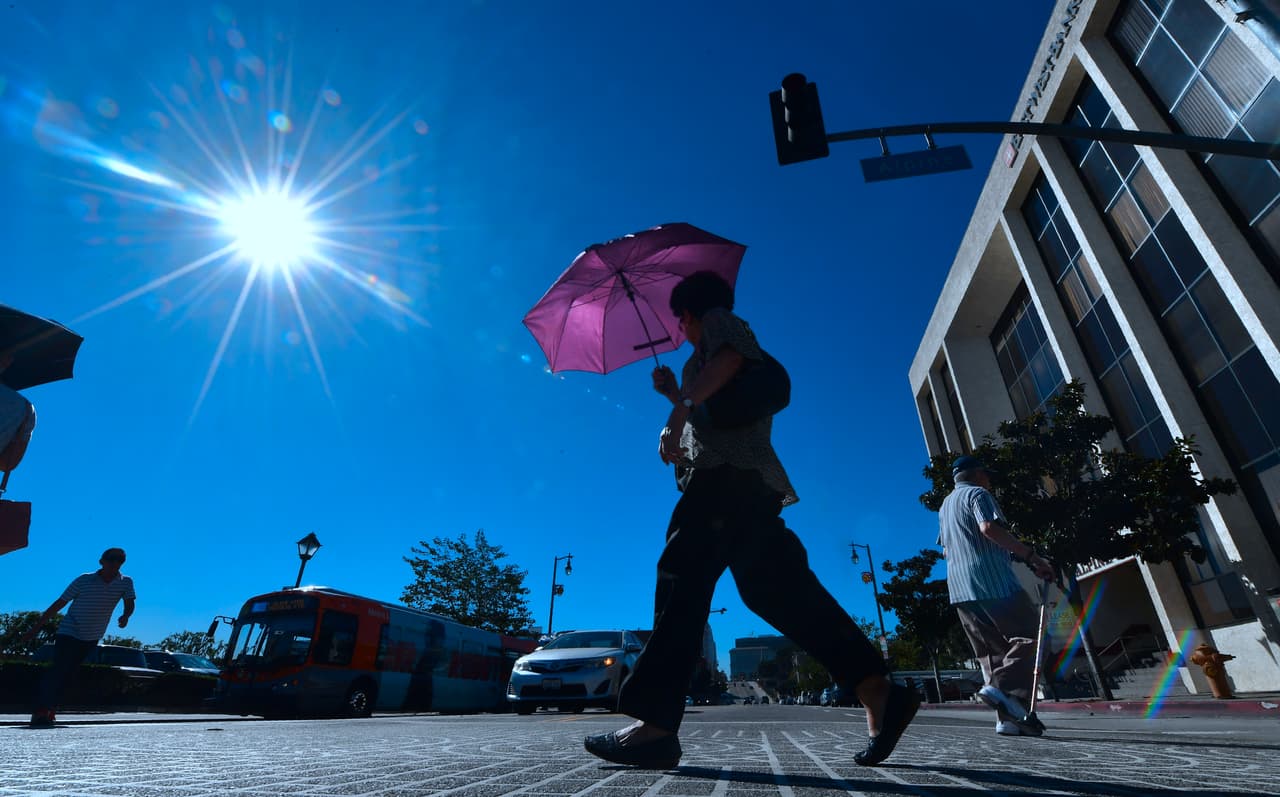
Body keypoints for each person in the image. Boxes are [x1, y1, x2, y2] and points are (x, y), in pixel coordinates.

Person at [583, 271, 918, 769]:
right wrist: (676, 399)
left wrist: (682, 407)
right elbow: (712, 411)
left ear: (692, 313)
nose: (679, 328)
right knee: (776, 590)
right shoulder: (702, 361)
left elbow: (732, 360)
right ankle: (875, 687)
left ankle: (654, 727)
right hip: (746, 486)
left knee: (681, 585)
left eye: (680, 318)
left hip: (722, 485)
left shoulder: (721, 325)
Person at [938, 455, 1054, 737]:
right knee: (1033, 637)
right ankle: (999, 689)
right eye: (986, 475)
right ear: (977, 475)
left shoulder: (944, 507)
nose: (989, 480)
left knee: (993, 654)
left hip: (960, 589)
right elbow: (989, 528)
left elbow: (945, 549)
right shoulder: (978, 494)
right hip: (992, 582)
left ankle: (1008, 720)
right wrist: (1032, 557)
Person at [20, 547, 136, 728]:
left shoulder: (125, 582)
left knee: (68, 673)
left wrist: (126, 616)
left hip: (92, 635)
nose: (115, 563)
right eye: (111, 559)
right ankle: (41, 710)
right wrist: (36, 627)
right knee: (59, 669)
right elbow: (60, 603)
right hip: (69, 630)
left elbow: (130, 603)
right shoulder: (84, 580)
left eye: (119, 560)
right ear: (102, 561)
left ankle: (51, 709)